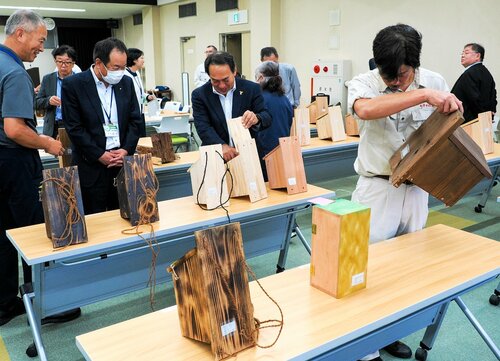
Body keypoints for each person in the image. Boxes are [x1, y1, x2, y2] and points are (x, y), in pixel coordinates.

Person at [347, 24, 462, 361]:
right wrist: (423, 96)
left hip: (416, 190)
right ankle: (365, 349)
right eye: (387, 75)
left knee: (405, 273)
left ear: (415, 64)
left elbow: (444, 130)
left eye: (399, 75)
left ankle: (389, 334)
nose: (391, 82)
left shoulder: (436, 81)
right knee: (366, 270)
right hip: (376, 188)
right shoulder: (366, 82)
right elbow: (365, 110)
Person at [0, 10, 74, 326]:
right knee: (32, 232)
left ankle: (5, 303)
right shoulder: (15, 73)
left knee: (4, 234)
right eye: (40, 40)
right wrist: (47, 143)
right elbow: (15, 129)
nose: (41, 48)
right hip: (13, 163)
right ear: (20, 33)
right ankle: (44, 304)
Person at [62, 37, 142, 215]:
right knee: (94, 218)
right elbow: (74, 127)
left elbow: (135, 121)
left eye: (124, 67)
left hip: (121, 162)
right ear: (99, 63)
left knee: (125, 215)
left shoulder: (126, 83)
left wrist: (126, 150)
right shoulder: (74, 85)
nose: (121, 72)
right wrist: (99, 154)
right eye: (116, 68)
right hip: (91, 164)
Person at [192, 51, 272, 162]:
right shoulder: (200, 95)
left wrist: (256, 118)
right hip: (216, 157)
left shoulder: (251, 88)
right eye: (215, 81)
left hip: (248, 156)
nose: (222, 85)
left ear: (234, 71)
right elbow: (203, 127)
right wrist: (221, 145)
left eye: (226, 80)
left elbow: (267, 116)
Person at [254, 61, 293, 179]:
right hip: (282, 152)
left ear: (260, 77)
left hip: (265, 155)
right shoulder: (285, 99)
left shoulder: (259, 99)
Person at [35, 44, 78, 138]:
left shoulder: (80, 81)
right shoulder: (48, 79)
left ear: (73, 63)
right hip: (53, 126)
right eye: (59, 61)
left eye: (67, 62)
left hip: (74, 126)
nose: (63, 65)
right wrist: (48, 101)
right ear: (55, 61)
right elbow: (37, 102)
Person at [451, 43, 497, 123]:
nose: (462, 55)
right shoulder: (487, 73)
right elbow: (493, 96)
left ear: (477, 56)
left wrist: (483, 117)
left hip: (468, 122)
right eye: (462, 53)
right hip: (482, 121)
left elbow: (474, 99)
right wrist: (490, 114)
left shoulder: (470, 73)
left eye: (466, 52)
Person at [124, 47, 156, 137]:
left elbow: (139, 92)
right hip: (131, 114)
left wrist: (147, 97)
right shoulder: (124, 75)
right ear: (134, 60)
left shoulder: (137, 73)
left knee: (142, 138)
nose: (143, 60)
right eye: (141, 58)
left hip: (140, 113)